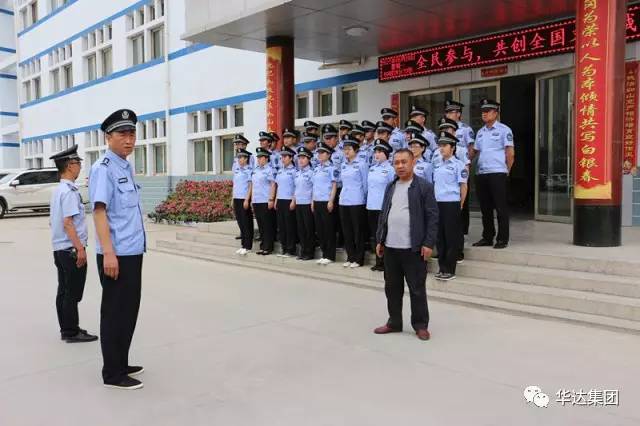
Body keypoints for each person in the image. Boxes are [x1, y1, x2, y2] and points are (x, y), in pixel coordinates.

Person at [89, 109, 145, 390]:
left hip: (132, 251)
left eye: (132, 133)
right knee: (114, 313)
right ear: (108, 137)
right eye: (122, 134)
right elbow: (99, 212)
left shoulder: (125, 166)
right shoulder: (103, 169)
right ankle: (112, 373)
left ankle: (120, 362)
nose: (129, 139)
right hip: (116, 255)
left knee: (128, 311)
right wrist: (108, 253)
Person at [374, 148, 438, 341]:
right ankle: (394, 322)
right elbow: (384, 214)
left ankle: (420, 325)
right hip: (391, 247)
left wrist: (428, 243)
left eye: (404, 162)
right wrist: (380, 239)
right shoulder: (391, 186)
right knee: (392, 288)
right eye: (397, 162)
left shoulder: (424, 187)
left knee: (417, 289)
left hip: (414, 248)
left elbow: (433, 217)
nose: (400, 166)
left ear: (413, 163)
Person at [49, 145, 97, 344]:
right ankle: (71, 332)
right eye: (78, 163)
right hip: (70, 250)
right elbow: (68, 223)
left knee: (64, 290)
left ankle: (67, 328)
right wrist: (80, 248)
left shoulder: (58, 190)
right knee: (72, 293)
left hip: (60, 249)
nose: (80, 167)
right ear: (70, 165)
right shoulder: (69, 192)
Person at [473, 99, 514, 249]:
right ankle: (487, 237)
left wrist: (506, 170)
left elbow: (510, 153)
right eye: (483, 111)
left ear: (495, 113)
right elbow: (475, 152)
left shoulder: (504, 130)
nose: (484, 113)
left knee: (500, 207)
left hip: (497, 173)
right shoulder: (480, 132)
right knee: (485, 208)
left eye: (488, 111)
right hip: (482, 173)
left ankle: (502, 239)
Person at [433, 132, 468, 281]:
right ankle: (442, 268)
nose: (441, 148)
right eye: (440, 145)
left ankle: (450, 269)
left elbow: (463, 186)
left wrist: (460, 204)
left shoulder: (459, 165)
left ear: (452, 147)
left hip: (451, 203)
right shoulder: (437, 164)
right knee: (440, 237)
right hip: (438, 203)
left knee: (450, 237)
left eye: (445, 145)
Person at [445, 100, 475, 240]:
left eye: (451, 112)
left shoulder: (466, 129)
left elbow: (471, 149)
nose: (448, 114)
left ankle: (463, 230)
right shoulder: (445, 129)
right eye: (447, 112)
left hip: (462, 167)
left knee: (463, 199)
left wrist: (466, 164)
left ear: (458, 114)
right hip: (448, 170)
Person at [338, 134, 368, 268]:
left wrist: (364, 198)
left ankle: (359, 258)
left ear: (356, 150)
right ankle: (350, 256)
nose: (346, 151)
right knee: (347, 231)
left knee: (358, 231)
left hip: (357, 201)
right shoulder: (343, 165)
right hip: (344, 200)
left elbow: (365, 184)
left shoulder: (362, 164)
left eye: (349, 149)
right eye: (345, 149)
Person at [366, 140, 395, 272]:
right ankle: (378, 261)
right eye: (375, 152)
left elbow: (392, 188)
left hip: (383, 206)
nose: (376, 154)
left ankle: (385, 262)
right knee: (374, 234)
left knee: (384, 235)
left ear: (386, 154)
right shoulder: (372, 168)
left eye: (380, 152)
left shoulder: (390, 169)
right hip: (371, 205)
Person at [312, 142, 338, 265]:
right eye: (319, 153)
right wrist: (313, 201)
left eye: (322, 153)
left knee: (328, 229)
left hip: (326, 201)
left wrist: (331, 201)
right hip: (317, 201)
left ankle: (330, 255)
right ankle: (324, 253)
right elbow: (314, 186)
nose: (320, 155)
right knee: (320, 229)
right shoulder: (316, 168)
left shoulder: (331, 168)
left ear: (328, 154)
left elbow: (334, 185)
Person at [250, 147, 277, 255]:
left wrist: (271, 199)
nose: (259, 159)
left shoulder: (269, 170)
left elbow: (273, 185)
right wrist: (252, 199)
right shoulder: (256, 170)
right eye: (258, 157)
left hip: (265, 200)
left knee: (267, 225)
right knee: (261, 225)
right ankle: (262, 246)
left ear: (266, 158)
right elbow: (253, 185)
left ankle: (268, 247)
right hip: (256, 200)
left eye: (261, 157)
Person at [275, 146, 298, 258]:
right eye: (282, 157)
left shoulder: (294, 171)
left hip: (289, 200)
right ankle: (284, 248)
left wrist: (294, 200)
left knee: (290, 226)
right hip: (280, 200)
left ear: (291, 158)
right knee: (282, 226)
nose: (283, 159)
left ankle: (291, 250)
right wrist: (276, 200)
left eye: (285, 157)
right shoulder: (280, 170)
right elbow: (278, 186)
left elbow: (296, 187)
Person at [293, 146, 315, 261]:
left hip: (307, 203)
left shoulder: (311, 173)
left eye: (303, 158)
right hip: (299, 203)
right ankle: (303, 251)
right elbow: (296, 189)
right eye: (299, 158)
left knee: (308, 229)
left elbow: (314, 189)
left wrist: (312, 202)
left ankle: (309, 252)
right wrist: (294, 200)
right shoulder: (297, 173)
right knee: (301, 229)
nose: (300, 160)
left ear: (309, 159)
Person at [232, 148, 254, 256]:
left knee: (246, 222)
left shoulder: (249, 170)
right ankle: (243, 245)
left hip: (244, 198)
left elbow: (250, 186)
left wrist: (247, 199)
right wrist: (232, 198)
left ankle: (248, 246)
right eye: (239, 157)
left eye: (242, 158)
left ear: (246, 159)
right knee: (240, 222)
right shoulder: (237, 170)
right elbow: (235, 185)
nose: (240, 160)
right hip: (237, 198)